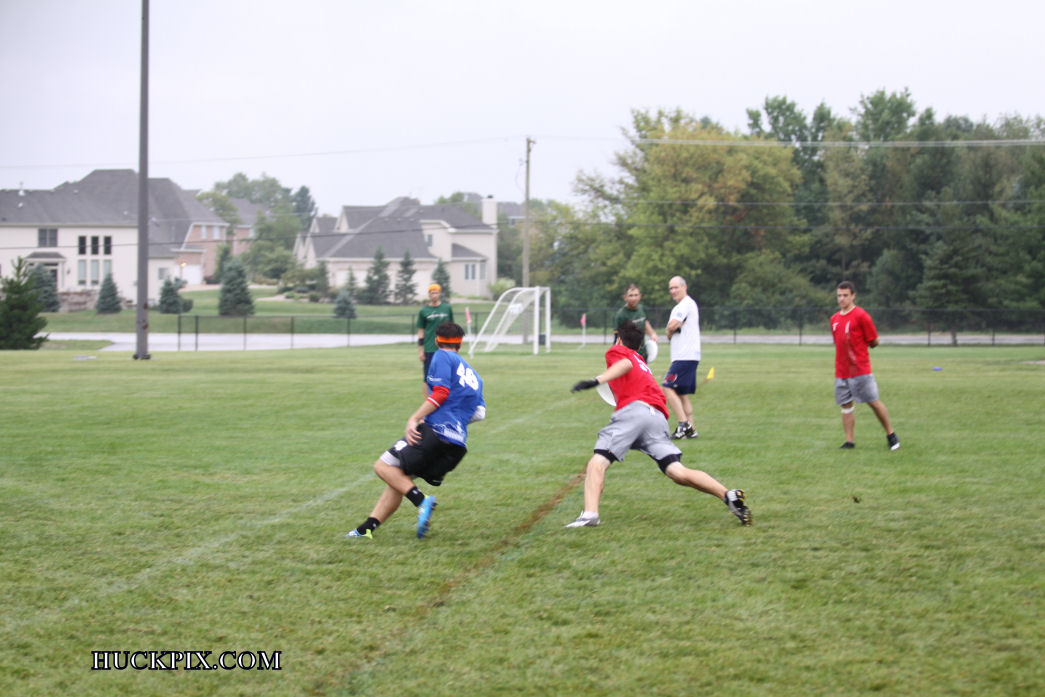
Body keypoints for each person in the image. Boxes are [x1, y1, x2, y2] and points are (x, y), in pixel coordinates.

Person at [566, 321, 751, 528]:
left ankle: (590, 515)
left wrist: (596, 381)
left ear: (619, 340)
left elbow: (624, 364)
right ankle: (728, 495)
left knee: (598, 462)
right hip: (657, 417)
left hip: (635, 412)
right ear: (639, 346)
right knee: (676, 471)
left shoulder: (618, 351)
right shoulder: (641, 360)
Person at [347, 322, 485, 540]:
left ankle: (422, 501)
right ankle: (366, 530)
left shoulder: (441, 356)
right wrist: (455, 423)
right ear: (460, 344)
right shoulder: (475, 376)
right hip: (457, 445)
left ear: (437, 341)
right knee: (399, 479)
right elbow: (479, 413)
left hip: (435, 433)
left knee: (383, 466)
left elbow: (440, 392)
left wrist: (414, 418)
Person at [831, 281, 900, 450]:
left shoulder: (861, 316)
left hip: (860, 370)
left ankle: (891, 435)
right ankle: (849, 442)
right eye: (839, 295)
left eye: (845, 295)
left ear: (853, 296)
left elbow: (874, 341)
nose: (842, 299)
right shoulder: (834, 319)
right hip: (841, 371)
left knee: (872, 401)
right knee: (846, 405)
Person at [662, 275, 701, 439]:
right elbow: (670, 332)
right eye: (671, 288)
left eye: (676, 287)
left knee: (667, 386)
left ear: (684, 287)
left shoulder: (685, 304)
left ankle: (683, 425)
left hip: (684, 356)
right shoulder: (684, 305)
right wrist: (670, 330)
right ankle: (691, 429)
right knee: (681, 393)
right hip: (687, 356)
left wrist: (669, 329)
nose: (673, 291)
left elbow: (671, 327)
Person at [417, 283, 454, 386]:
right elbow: (421, 332)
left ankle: (445, 396)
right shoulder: (424, 311)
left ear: (440, 294)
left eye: (436, 293)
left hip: (446, 348)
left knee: (446, 376)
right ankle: (428, 397)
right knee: (428, 378)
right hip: (430, 348)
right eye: (432, 293)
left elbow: (452, 328)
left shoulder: (447, 308)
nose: (434, 295)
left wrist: (453, 346)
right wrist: (421, 351)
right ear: (429, 294)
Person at [613, 283, 658, 362]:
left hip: (643, 354)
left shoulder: (641, 308)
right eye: (630, 295)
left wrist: (652, 334)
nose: (634, 298)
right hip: (629, 357)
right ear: (625, 297)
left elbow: (645, 322)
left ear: (640, 296)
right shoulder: (621, 315)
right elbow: (617, 338)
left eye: (636, 295)